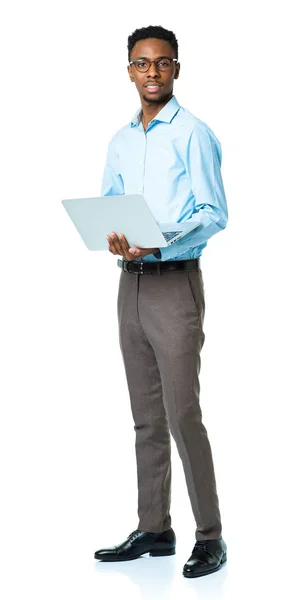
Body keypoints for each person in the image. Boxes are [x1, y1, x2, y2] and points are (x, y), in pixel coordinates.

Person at [94, 25, 228, 578]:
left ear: (177, 68)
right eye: (142, 63)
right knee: (145, 418)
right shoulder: (121, 139)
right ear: (129, 70)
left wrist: (161, 238)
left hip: (174, 284)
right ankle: (155, 527)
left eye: (163, 63)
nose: (152, 72)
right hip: (131, 284)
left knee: (183, 414)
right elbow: (108, 202)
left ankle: (210, 536)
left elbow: (214, 213)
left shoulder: (193, 133)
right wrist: (117, 236)